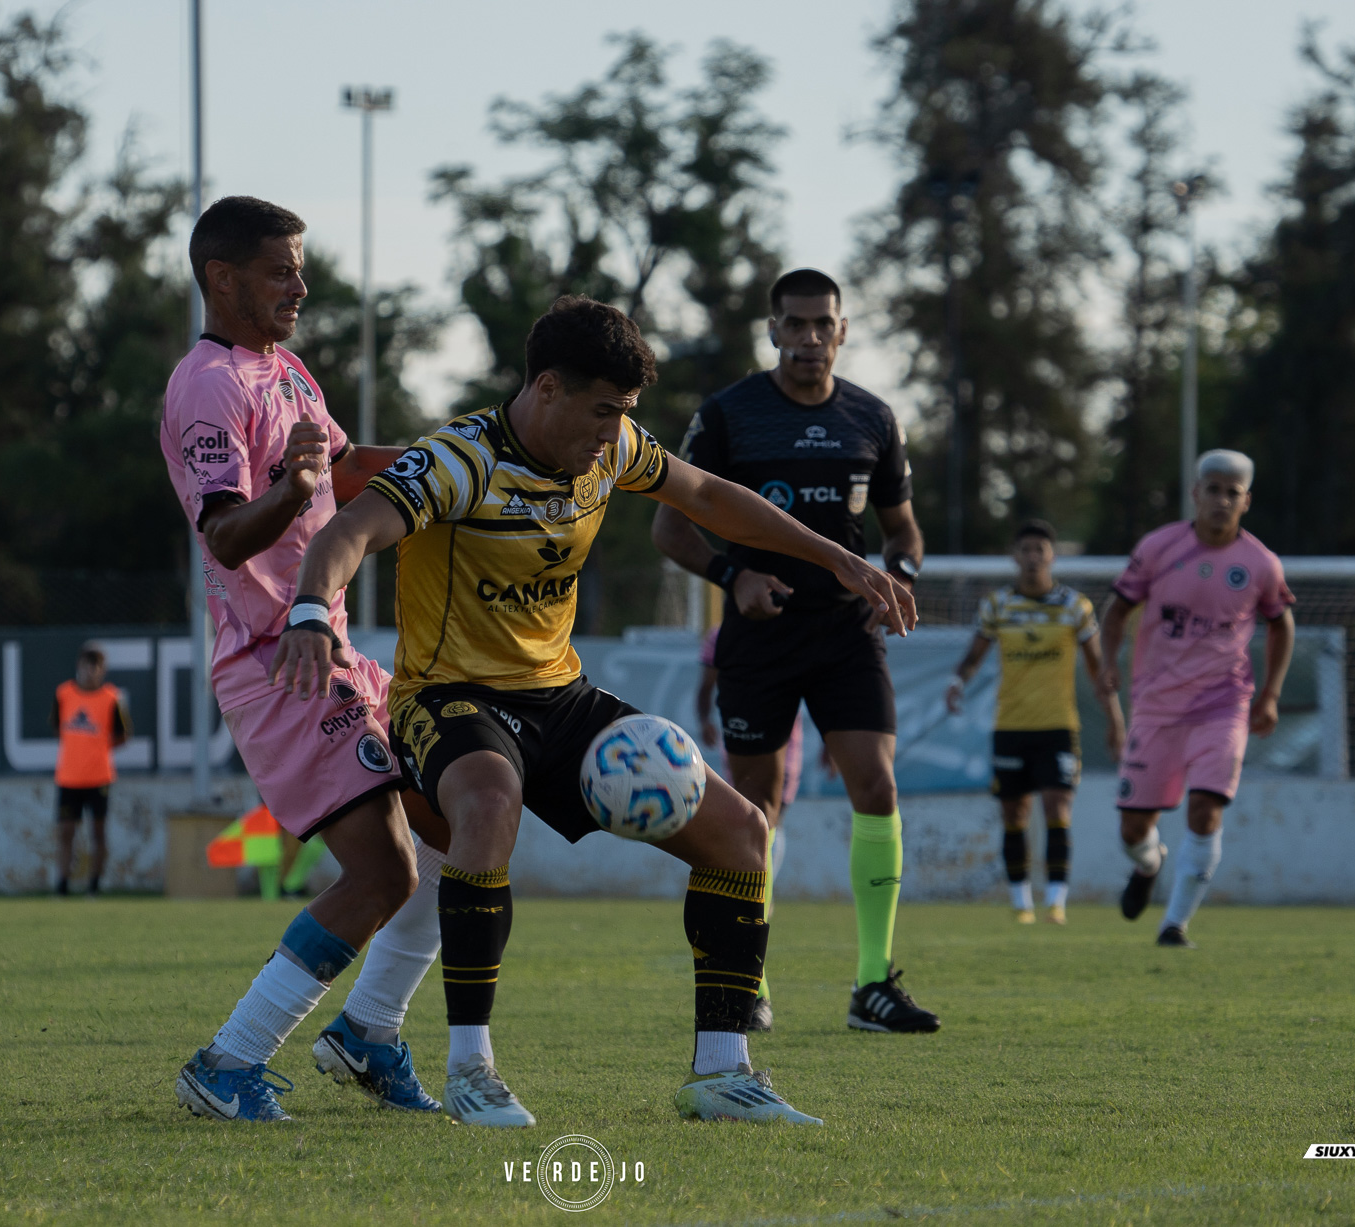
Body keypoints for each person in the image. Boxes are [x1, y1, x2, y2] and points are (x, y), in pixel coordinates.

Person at [271, 294, 917, 1128]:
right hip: (449, 695)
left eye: (625, 412)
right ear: (547, 388)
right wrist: (312, 610)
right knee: (488, 802)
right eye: (605, 410)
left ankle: (722, 1071)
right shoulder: (459, 458)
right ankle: (470, 1068)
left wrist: (839, 558)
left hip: (560, 695)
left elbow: (710, 497)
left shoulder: (613, 449)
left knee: (741, 832)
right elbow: (352, 529)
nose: (616, 431)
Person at [159, 196, 451, 1122]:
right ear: (223, 278)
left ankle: (368, 1030)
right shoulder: (209, 384)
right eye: (280, 269)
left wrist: (470, 466)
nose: (300, 285)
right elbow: (225, 533)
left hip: (334, 648)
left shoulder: (285, 370)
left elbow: (346, 470)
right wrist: (294, 484)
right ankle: (229, 1060)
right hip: (279, 660)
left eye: (299, 267)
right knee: (385, 869)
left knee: (458, 820)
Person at [651, 268, 940, 1036]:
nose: (810, 337)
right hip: (760, 637)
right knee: (757, 808)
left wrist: (900, 577)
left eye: (823, 324)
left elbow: (903, 531)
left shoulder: (872, 417)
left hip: (846, 634)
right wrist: (733, 575)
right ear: (773, 330)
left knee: (876, 785)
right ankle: (750, 980)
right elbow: (670, 526)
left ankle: (873, 983)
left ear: (842, 330)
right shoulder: (730, 415)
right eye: (796, 324)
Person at [1098, 450, 1295, 948]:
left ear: (1246, 501)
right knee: (1133, 830)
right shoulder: (1158, 547)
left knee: (1206, 810)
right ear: (1196, 494)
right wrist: (1107, 662)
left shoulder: (1261, 564)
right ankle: (1150, 865)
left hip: (1223, 705)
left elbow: (1281, 625)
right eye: (1213, 490)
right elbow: (1117, 611)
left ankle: (1175, 924)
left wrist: (1270, 694)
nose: (1221, 500)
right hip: (1156, 706)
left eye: (1233, 492)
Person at [944, 520, 1125, 925]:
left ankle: (1056, 901)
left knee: (1057, 808)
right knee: (1014, 815)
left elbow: (1099, 671)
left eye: (1039, 550)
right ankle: (1021, 902)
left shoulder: (1074, 607)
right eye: (1025, 550)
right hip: (1010, 726)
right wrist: (957, 682)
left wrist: (1115, 721)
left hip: (1059, 727)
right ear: (1014, 556)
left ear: (1051, 556)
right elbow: (973, 657)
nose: (1032, 558)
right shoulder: (997, 606)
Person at [694, 624, 806, 1031]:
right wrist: (705, 718)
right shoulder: (723, 635)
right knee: (756, 824)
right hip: (744, 736)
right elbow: (706, 685)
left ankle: (758, 896)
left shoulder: (799, 625)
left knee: (769, 827)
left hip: (788, 744)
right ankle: (757, 991)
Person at [52, 645, 131, 896]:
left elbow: (123, 735)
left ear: (102, 670)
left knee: (98, 833)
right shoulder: (64, 694)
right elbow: (57, 728)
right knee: (66, 832)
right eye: (87, 665)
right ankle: (63, 884)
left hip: (99, 777)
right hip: (68, 776)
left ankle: (94, 886)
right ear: (79, 666)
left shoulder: (112, 697)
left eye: (96, 666)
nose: (91, 671)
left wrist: (98, 749)